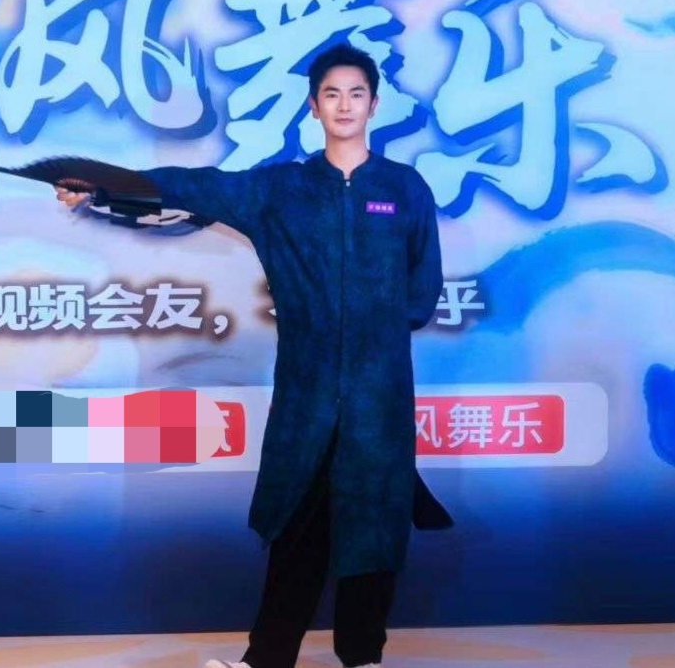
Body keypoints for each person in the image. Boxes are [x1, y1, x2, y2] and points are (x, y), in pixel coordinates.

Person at [53, 42, 448, 668]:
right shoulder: (281, 188)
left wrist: (370, 335)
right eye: (331, 94)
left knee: (375, 525)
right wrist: (98, 187)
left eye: (356, 94)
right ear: (313, 106)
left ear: (374, 105)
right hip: (307, 395)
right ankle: (265, 660)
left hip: (380, 395)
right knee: (297, 527)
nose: (344, 105)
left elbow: (423, 289)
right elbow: (192, 189)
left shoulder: (404, 189)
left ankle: (363, 657)